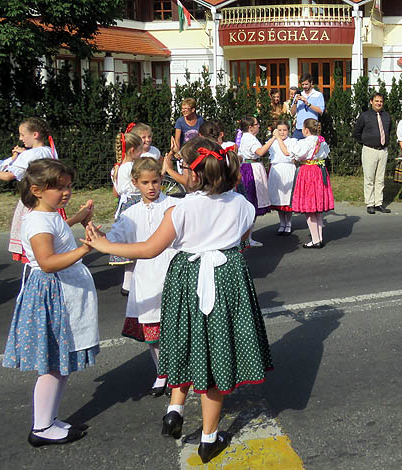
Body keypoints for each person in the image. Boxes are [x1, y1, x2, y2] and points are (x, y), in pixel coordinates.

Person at [82, 137, 272, 464]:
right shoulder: (244, 205)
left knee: (185, 339)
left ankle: (176, 410)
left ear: (193, 174)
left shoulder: (180, 208)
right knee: (216, 350)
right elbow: (239, 241)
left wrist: (105, 246)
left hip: (187, 278)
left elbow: (149, 249)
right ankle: (209, 436)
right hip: (228, 278)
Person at [2, 158, 96, 447]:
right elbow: (48, 262)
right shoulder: (39, 220)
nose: (66, 192)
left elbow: (55, 229)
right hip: (54, 295)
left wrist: (78, 217)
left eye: (68, 186)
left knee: (59, 364)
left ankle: (49, 419)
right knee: (54, 365)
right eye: (59, 187)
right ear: (37, 189)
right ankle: (42, 427)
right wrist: (86, 248)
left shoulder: (47, 213)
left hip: (58, 293)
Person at [104, 157, 178, 397]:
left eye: (156, 181)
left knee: (174, 329)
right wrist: (96, 234)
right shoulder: (131, 213)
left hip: (173, 273)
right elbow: (114, 238)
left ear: (162, 180)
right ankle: (161, 373)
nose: (151, 187)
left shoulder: (175, 206)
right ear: (135, 183)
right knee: (153, 332)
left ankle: (176, 374)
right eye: (145, 182)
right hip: (146, 277)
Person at [0, 117, 65, 262]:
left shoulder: (30, 154)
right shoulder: (48, 151)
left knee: (34, 240)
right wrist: (21, 155)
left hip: (33, 201)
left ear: (35, 134)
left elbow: (9, 175)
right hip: (49, 200)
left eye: (23, 135)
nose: (20, 138)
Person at [289, 118, 334, 248]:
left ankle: (315, 240)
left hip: (308, 172)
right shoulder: (322, 141)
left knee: (310, 208)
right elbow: (325, 153)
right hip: (319, 172)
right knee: (317, 209)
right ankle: (318, 237)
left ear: (306, 130)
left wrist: (292, 143)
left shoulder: (306, 142)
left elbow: (297, 154)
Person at [110, 128, 144, 294]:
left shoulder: (116, 167)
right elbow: (136, 187)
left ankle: (127, 284)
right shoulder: (130, 167)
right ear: (132, 150)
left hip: (124, 206)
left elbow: (116, 191)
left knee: (132, 247)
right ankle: (131, 284)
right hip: (134, 205)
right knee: (139, 243)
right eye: (140, 149)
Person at [238, 116, 276, 246]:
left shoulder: (246, 137)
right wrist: (273, 138)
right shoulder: (249, 138)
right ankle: (247, 238)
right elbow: (260, 152)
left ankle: (247, 237)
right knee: (252, 201)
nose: (259, 126)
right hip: (251, 169)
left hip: (249, 167)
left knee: (251, 201)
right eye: (256, 124)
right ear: (250, 127)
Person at [353, 92, 392, 214]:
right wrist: (366, 142)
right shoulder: (364, 116)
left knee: (380, 179)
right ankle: (370, 203)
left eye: (380, 101)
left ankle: (378, 203)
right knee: (369, 178)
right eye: (376, 101)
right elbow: (356, 133)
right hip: (370, 150)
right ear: (371, 102)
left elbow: (389, 130)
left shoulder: (386, 116)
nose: (379, 103)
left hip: (383, 151)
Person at [268, 120, 297, 235]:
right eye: (279, 130)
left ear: (288, 131)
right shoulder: (272, 142)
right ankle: (282, 223)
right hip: (277, 170)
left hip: (288, 169)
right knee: (278, 197)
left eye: (284, 130)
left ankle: (288, 223)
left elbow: (289, 154)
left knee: (287, 197)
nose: (282, 132)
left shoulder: (292, 141)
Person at [290, 74, 325, 140]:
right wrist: (295, 102)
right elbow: (292, 113)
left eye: (306, 84)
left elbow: (320, 111)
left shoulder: (318, 95)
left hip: (312, 130)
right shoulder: (298, 95)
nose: (304, 86)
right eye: (302, 85)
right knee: (294, 149)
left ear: (311, 83)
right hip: (299, 129)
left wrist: (307, 103)